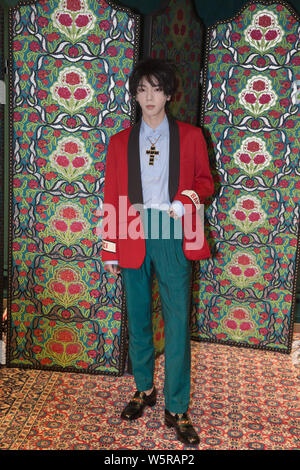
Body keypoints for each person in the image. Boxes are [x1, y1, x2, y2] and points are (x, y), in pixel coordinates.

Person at [101, 58, 214, 446]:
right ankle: (144, 389)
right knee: (137, 316)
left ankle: (176, 407)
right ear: (135, 95)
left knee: (177, 319)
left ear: (168, 93)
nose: (149, 97)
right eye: (142, 89)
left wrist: (186, 202)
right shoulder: (119, 142)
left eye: (156, 89)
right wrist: (112, 246)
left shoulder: (192, 136)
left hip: (171, 229)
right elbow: (112, 193)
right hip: (132, 226)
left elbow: (205, 181)